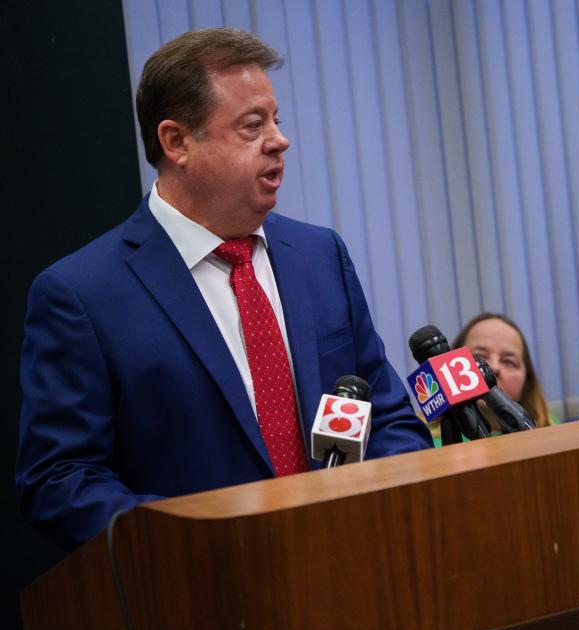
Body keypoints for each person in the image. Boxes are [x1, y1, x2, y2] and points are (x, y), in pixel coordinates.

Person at [15, 28, 432, 551]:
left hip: (352, 570)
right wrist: (206, 541)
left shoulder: (320, 256)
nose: (279, 139)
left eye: (276, 120)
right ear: (177, 142)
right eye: (251, 125)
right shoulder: (81, 295)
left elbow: (389, 417)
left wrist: (369, 507)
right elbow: (61, 482)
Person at [452, 313, 554, 428]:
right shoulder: (428, 443)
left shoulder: (553, 433)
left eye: (509, 362)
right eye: (479, 356)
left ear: (527, 382)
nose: (494, 367)